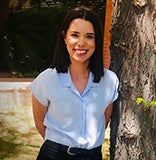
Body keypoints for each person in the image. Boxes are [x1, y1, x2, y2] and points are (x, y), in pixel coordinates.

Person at [30, 6, 119, 160]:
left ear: (96, 40)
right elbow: (40, 123)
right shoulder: (47, 80)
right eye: (75, 35)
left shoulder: (110, 81)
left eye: (89, 36)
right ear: (65, 38)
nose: (81, 43)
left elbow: (103, 122)